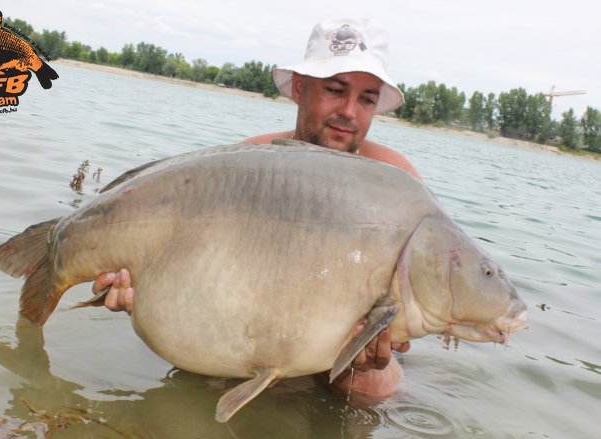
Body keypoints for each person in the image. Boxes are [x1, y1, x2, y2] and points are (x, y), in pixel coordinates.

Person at [93, 18, 417, 402]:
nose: (349, 111)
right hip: (254, 334)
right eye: (335, 90)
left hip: (338, 345)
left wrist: (368, 349)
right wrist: (146, 291)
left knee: (374, 390)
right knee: (194, 391)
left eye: (366, 98)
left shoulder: (396, 180)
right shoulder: (247, 163)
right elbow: (203, 272)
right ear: (300, 87)